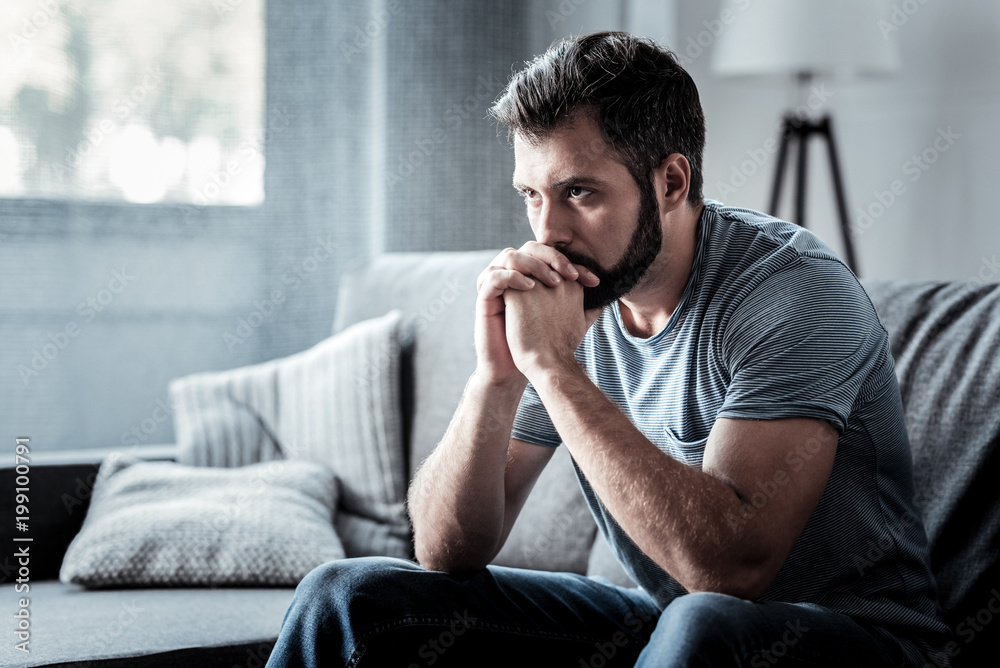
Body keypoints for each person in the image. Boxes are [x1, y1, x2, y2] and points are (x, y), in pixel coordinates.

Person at [266, 31, 950, 667]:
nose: (548, 230)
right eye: (531, 194)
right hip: (671, 624)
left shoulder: (793, 292)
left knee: (702, 623)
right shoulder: (572, 300)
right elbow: (445, 551)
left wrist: (554, 369)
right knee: (349, 597)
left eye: (579, 192)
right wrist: (496, 380)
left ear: (672, 183)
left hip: (863, 640)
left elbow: (730, 571)